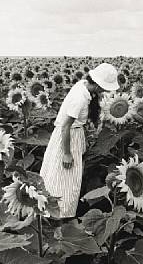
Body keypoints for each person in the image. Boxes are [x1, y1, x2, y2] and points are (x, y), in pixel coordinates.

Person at [39, 62, 119, 238]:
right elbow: (65, 126)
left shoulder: (83, 87)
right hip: (66, 139)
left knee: (65, 181)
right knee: (61, 182)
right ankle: (57, 227)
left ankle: (61, 223)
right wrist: (67, 153)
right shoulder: (80, 97)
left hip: (73, 137)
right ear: (99, 85)